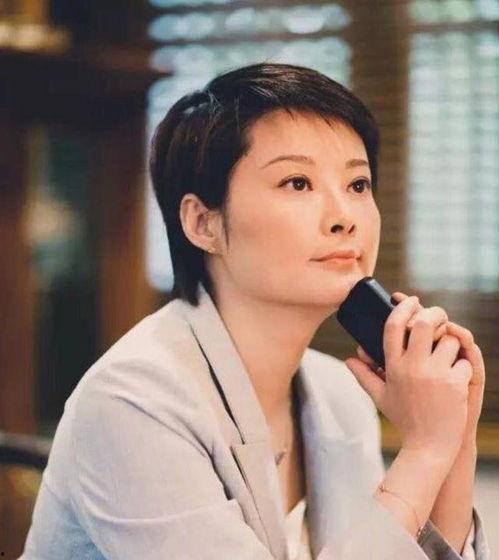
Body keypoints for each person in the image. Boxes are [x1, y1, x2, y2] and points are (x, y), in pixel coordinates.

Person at [20, 62, 490, 560]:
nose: (344, 218)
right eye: (297, 183)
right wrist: (424, 451)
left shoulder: (338, 396)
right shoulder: (132, 402)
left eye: (357, 185)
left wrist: (454, 440)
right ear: (202, 223)